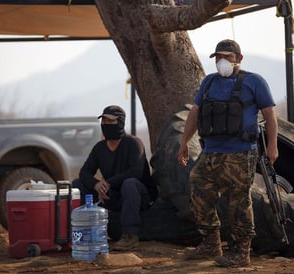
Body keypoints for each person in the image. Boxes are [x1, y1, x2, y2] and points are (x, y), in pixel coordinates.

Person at [177, 39, 278, 267]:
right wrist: (184, 142)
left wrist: (272, 146)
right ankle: (211, 243)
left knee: (239, 202)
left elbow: (270, 117)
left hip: (241, 153)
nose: (222, 62)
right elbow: (195, 112)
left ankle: (241, 252)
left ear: (239, 58)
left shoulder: (254, 82)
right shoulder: (209, 82)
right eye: (218, 57)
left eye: (227, 57)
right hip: (211, 152)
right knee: (198, 186)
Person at [72, 105, 158, 251]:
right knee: (78, 184)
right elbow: (85, 172)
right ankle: (82, 231)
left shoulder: (133, 143)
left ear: (120, 122)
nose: (105, 125)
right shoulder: (99, 148)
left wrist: (108, 183)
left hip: (138, 196)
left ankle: (130, 235)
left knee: (129, 183)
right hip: (112, 195)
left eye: (110, 121)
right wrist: (96, 184)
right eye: (103, 121)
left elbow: (136, 172)